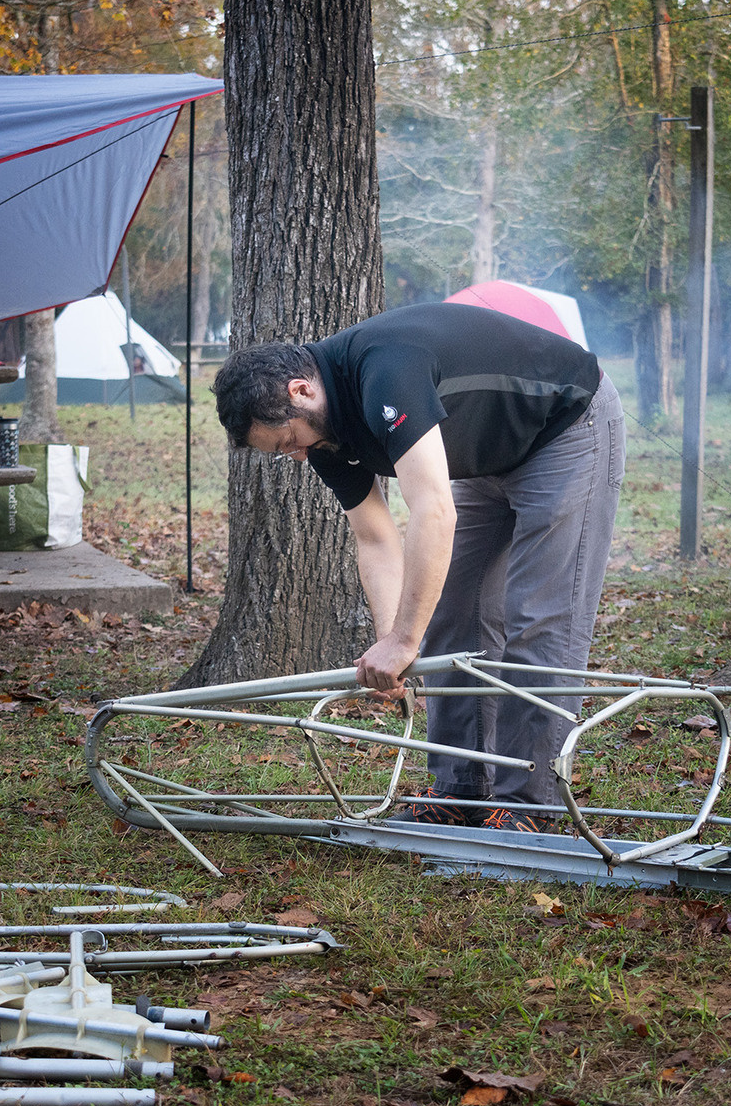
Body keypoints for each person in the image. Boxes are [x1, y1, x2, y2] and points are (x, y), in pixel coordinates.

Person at [214, 302, 625, 831]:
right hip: (487, 453)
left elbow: (433, 510)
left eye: (288, 441)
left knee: (540, 619)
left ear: (300, 391)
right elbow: (375, 537)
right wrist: (393, 642)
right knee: (452, 614)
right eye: (281, 451)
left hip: (566, 427)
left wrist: (405, 639)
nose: (295, 455)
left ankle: (530, 806)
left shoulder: (386, 371)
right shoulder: (324, 436)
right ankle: (461, 791)